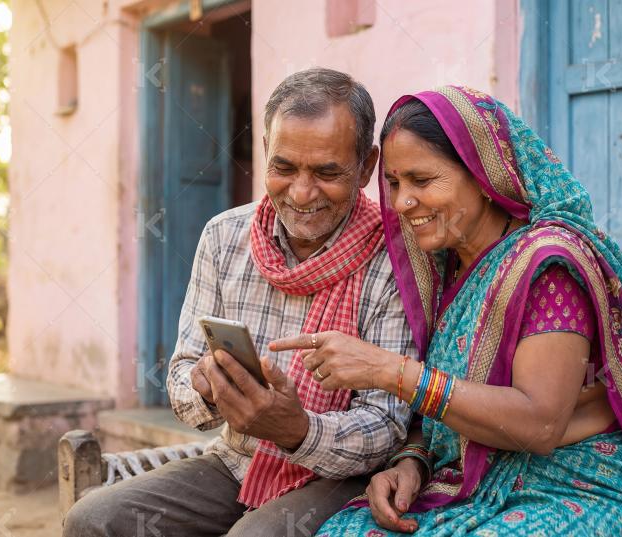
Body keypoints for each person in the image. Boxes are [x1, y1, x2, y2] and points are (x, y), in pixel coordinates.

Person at [273, 85, 622, 536]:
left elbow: (539, 423)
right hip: (476, 484)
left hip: (581, 486)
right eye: (393, 183)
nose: (402, 203)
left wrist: (390, 372)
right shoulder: (444, 268)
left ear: (483, 173)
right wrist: (411, 462)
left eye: (422, 180)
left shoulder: (546, 265)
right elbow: (440, 415)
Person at [62, 68, 416, 537]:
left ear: (367, 166)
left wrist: (298, 429)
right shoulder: (224, 237)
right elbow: (182, 377)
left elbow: (385, 425)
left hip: (344, 476)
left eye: (328, 172)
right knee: (93, 520)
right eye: (285, 168)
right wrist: (210, 387)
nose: (303, 193)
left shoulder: (396, 257)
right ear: (266, 151)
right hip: (237, 460)